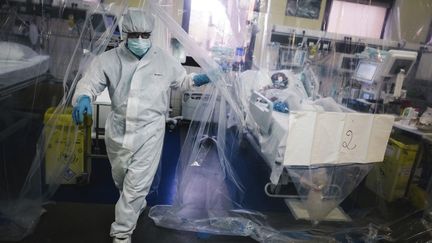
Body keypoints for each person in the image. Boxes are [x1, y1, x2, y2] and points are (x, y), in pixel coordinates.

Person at [71, 8, 209, 243]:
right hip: (118, 131)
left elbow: (182, 81)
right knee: (122, 179)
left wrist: (201, 78)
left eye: (145, 34)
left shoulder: (163, 59)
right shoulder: (109, 59)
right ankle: (136, 204)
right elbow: (89, 83)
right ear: (125, 34)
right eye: (134, 35)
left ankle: (122, 233)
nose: (140, 40)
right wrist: (83, 97)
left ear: (151, 34)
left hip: (150, 132)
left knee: (135, 185)